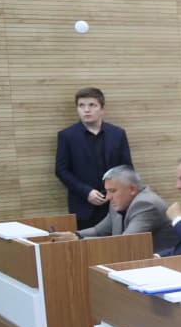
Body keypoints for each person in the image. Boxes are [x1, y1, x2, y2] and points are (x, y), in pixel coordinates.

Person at [54, 87, 133, 229]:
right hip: (84, 204)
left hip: (116, 203)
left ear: (102, 109)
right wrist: (86, 192)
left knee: (119, 244)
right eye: (81, 106)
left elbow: (127, 168)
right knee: (87, 247)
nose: (86, 110)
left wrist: (116, 192)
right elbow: (61, 170)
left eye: (92, 105)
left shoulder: (118, 134)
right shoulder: (67, 136)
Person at [51, 165, 176, 252]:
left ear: (132, 189)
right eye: (107, 191)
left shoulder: (146, 205)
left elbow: (125, 243)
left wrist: (79, 240)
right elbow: (99, 231)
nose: (108, 197)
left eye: (112, 191)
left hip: (163, 264)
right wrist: (75, 235)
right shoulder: (118, 202)